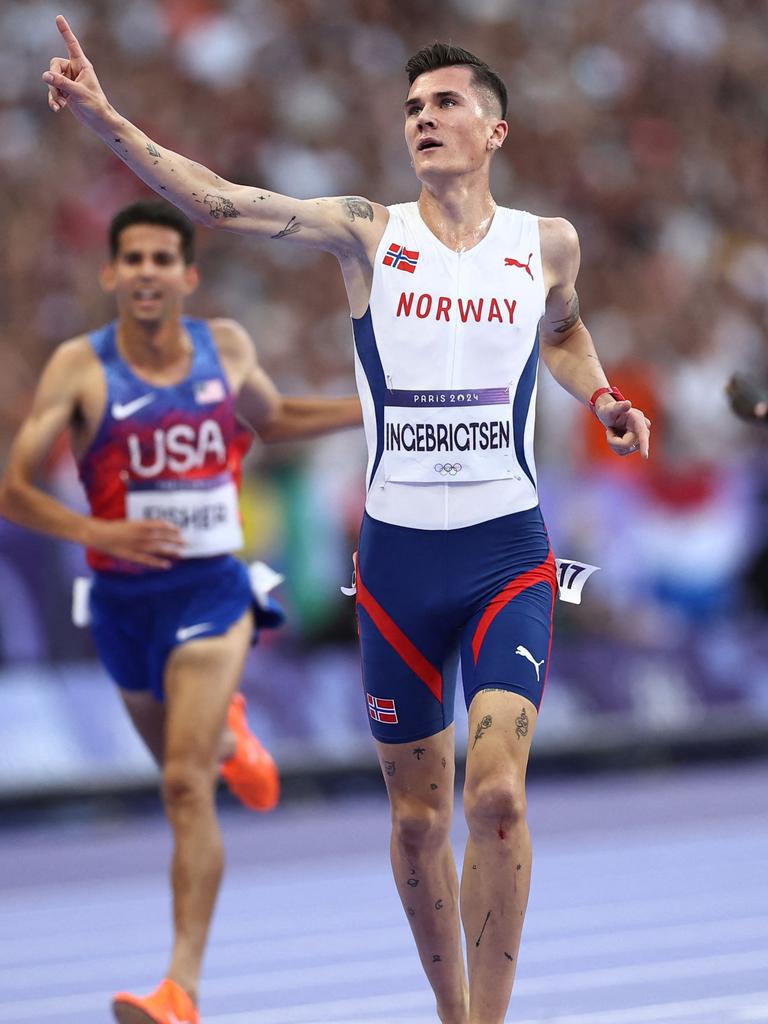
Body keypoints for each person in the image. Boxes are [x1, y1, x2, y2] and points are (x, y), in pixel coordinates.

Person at [41, 20, 651, 1024]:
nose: (423, 119)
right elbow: (219, 201)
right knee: (419, 822)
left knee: (494, 796)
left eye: (445, 102)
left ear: (494, 128)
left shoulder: (545, 244)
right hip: (399, 568)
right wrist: (108, 119)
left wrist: (599, 395)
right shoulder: (371, 231)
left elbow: (568, 327)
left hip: (507, 552)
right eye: (412, 107)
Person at [0, 197, 361, 1024]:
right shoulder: (78, 368)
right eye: (134, 260)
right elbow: (14, 489)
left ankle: (180, 990)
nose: (149, 273)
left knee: (181, 785)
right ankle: (232, 732)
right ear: (112, 274)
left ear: (188, 275)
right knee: (184, 767)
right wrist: (99, 529)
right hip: (123, 607)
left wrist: (375, 408)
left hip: (212, 592)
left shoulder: (224, 348)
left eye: (165, 259)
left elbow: (273, 421)